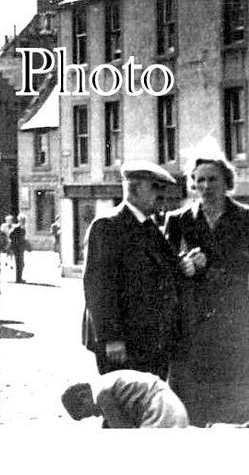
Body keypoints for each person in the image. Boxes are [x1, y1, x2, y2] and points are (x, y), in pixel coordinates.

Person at [164, 156, 249, 425]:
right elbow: (165, 271)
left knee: (233, 401)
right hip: (192, 326)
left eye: (213, 179)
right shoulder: (178, 220)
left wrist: (213, 269)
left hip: (234, 324)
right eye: (199, 179)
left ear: (227, 183)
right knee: (192, 403)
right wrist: (183, 264)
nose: (206, 185)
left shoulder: (245, 218)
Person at [82, 161, 182, 380]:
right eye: (156, 187)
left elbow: (165, 269)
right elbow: (98, 287)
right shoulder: (107, 226)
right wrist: (112, 338)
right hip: (123, 344)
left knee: (145, 408)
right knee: (123, 406)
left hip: (150, 341)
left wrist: (186, 262)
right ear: (135, 189)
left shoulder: (149, 227)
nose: (162, 195)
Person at [61, 370, 189, 428]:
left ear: (83, 396)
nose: (96, 415)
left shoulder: (101, 395)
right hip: (167, 407)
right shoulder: (105, 383)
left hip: (160, 411)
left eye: (89, 414)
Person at [9, 215, 28, 283]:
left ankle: (19, 278)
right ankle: (18, 279)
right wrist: (16, 241)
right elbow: (11, 236)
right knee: (19, 263)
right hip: (17, 248)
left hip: (21, 248)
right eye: (23, 220)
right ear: (20, 220)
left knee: (21, 263)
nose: (24, 221)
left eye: (24, 220)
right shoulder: (16, 227)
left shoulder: (23, 228)